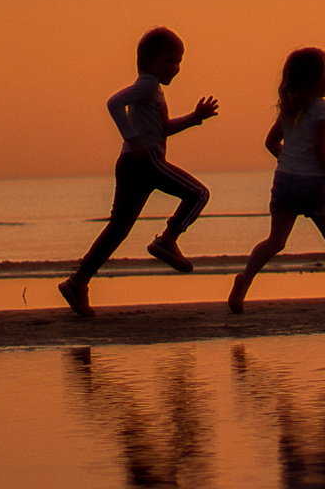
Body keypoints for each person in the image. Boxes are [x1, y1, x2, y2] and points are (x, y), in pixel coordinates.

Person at [58, 27, 219, 317]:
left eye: (179, 62)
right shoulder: (146, 85)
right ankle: (168, 239)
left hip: (133, 164)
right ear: (148, 59)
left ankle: (78, 281)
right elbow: (114, 103)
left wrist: (195, 119)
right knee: (199, 193)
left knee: (119, 228)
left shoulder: (152, 91)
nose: (176, 68)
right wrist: (132, 140)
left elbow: (162, 130)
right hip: (144, 161)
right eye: (170, 61)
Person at [229, 46, 325, 310]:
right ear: (318, 78)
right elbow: (320, 145)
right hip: (313, 184)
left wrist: (289, 161)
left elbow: (271, 142)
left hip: (285, 181)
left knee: (275, 241)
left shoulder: (290, 108)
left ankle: (244, 280)